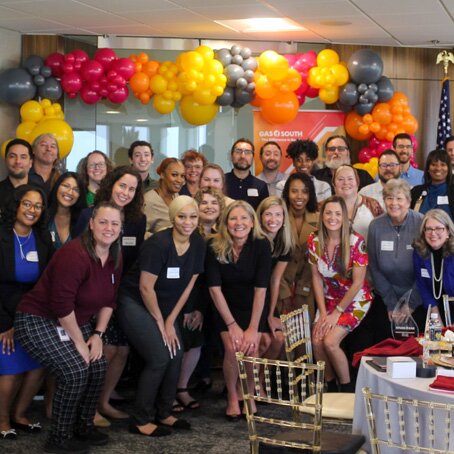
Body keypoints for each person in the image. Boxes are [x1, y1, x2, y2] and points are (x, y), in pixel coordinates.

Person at [15, 202, 123, 453]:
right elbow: (61, 305)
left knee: (98, 365)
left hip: (75, 321)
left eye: (115, 223)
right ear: (91, 223)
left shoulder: (115, 254)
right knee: (74, 370)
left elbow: (110, 299)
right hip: (37, 319)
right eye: (103, 222)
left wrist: (98, 335)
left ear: (120, 228)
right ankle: (59, 438)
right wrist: (78, 344)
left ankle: (83, 426)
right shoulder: (74, 254)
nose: (109, 228)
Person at [118, 196, 205, 436]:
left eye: (193, 217)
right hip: (135, 302)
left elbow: (189, 285)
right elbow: (145, 288)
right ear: (172, 217)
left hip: (166, 307)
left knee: (176, 353)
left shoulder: (198, 243)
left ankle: (164, 412)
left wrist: (170, 321)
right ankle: (140, 419)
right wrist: (160, 322)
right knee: (159, 356)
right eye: (182, 216)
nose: (187, 222)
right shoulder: (158, 244)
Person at [73, 166, 145, 425]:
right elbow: (77, 253)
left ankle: (102, 402)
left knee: (122, 350)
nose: (125, 192)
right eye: (122, 185)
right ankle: (87, 408)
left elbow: (133, 258)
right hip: (88, 292)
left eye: (132, 189)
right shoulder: (88, 215)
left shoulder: (137, 220)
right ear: (111, 184)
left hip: (119, 291)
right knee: (100, 350)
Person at [206, 200, 272, 420]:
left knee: (251, 348)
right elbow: (215, 289)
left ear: (252, 223)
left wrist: (253, 327)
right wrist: (232, 325)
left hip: (253, 305)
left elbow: (261, 290)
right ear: (225, 223)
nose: (238, 223)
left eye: (244, 218)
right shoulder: (214, 245)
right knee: (233, 348)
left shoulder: (261, 245)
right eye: (233, 218)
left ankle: (249, 393)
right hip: (225, 307)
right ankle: (233, 396)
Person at [0, 185, 53, 440]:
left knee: (40, 364)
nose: (32, 210)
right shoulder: (1, 235)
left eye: (38, 206)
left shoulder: (43, 239)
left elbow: (46, 284)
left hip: (32, 312)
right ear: (16, 204)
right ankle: (1, 420)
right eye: (27, 204)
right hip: (2, 313)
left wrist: (25, 319)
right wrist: (7, 324)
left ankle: (19, 415)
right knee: (10, 364)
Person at [309, 196, 373, 392]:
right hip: (328, 299)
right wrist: (322, 313)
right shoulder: (314, 239)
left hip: (355, 299)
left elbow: (357, 283)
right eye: (328, 213)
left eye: (337, 213)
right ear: (322, 215)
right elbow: (316, 279)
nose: (332, 217)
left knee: (330, 342)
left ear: (344, 217)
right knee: (317, 340)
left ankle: (346, 388)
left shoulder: (356, 242)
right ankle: (330, 385)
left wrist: (336, 312)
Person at [174, 188, 225, 411]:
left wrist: (201, 308)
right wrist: (191, 307)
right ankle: (172, 390)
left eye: (214, 202)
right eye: (203, 202)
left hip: (209, 300)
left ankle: (184, 387)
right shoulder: (186, 233)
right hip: (183, 298)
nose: (209, 206)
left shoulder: (221, 235)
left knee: (199, 343)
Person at [367, 179, 424, 341]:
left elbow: (426, 268)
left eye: (399, 198)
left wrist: (410, 305)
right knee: (385, 347)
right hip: (386, 299)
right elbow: (374, 267)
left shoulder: (421, 223)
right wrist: (391, 303)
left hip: (417, 300)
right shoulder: (375, 226)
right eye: (389, 198)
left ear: (408, 201)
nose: (394, 203)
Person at [256, 196, 294, 362]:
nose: (273, 220)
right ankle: (248, 383)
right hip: (250, 297)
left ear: (284, 218)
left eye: (278, 215)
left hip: (267, 297)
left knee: (279, 340)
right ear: (260, 217)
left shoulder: (284, 242)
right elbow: (258, 284)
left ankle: (261, 381)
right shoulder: (255, 240)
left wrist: (271, 314)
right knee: (263, 342)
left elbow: (275, 280)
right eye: (268, 214)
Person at [280, 173, 319, 318]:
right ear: (287, 193)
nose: (299, 196)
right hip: (280, 286)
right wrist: (284, 293)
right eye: (294, 191)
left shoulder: (318, 219)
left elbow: (316, 260)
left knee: (304, 336)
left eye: (304, 191)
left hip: (307, 287)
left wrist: (302, 290)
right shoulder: (278, 217)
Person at [413, 209, 454, 322]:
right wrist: (436, 319)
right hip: (435, 309)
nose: (433, 233)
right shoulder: (419, 252)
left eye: (439, 228)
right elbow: (423, 286)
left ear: (448, 231)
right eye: (429, 229)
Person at [333, 165, 383, 241]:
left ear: (357, 182)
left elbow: (384, 232)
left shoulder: (372, 204)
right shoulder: (327, 206)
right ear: (334, 184)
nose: (346, 182)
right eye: (340, 179)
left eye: (350, 179)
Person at [0, 138, 44, 213]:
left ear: (30, 163)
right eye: (12, 156)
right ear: (6, 160)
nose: (18, 161)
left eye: (23, 157)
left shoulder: (40, 191)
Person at [144, 157, 185, 234]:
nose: (179, 180)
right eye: (174, 175)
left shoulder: (176, 196)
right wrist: (158, 240)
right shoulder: (149, 200)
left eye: (182, 176)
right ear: (162, 174)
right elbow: (140, 233)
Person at [225, 138, 269, 209]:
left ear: (253, 157)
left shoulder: (261, 186)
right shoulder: (221, 181)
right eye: (238, 151)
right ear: (231, 156)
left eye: (247, 152)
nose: (243, 156)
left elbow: (263, 213)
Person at [410, 149, 454, 220]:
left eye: (443, 165)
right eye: (434, 165)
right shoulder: (416, 192)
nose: (438, 168)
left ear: (448, 168)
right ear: (428, 168)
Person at [47, 172, 87, 249]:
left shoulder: (84, 220)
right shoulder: (43, 215)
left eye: (76, 190)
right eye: (66, 186)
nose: (70, 192)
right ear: (57, 187)